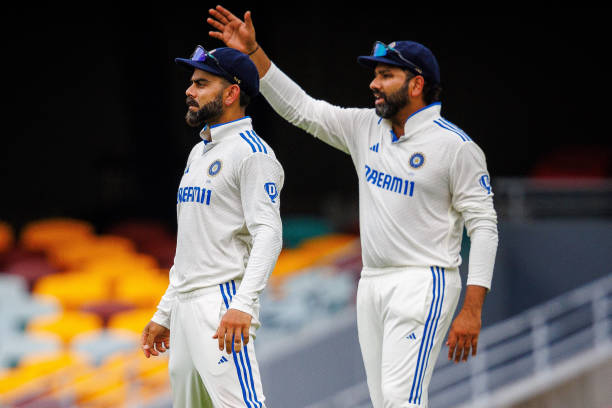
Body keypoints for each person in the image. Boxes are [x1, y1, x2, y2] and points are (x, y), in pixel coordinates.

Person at [207, 6, 499, 408]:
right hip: (372, 283)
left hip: (424, 281)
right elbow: (302, 109)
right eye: (375, 74)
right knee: (385, 402)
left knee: (401, 401)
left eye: (385, 75)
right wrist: (255, 54)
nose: (374, 84)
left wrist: (472, 307)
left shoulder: (456, 147)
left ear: (416, 84)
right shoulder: (365, 128)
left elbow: (484, 227)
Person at [140, 45, 284, 408]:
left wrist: (243, 304)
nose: (189, 91)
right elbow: (191, 246)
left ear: (232, 92)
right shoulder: (198, 152)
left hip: (221, 303)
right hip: (186, 306)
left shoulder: (253, 153)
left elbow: (269, 233)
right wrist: (166, 311)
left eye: (202, 83)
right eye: (191, 83)